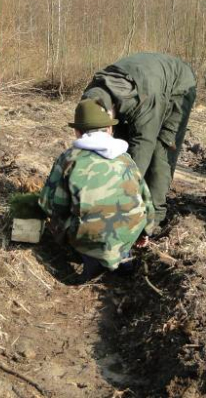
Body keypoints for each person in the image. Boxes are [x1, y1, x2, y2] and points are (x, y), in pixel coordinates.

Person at [39, 99, 155, 278]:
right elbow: (146, 200)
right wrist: (146, 232)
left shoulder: (69, 159)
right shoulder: (126, 159)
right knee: (121, 224)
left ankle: (88, 258)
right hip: (128, 233)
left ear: (77, 132)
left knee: (65, 220)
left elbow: (50, 204)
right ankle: (122, 259)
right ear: (109, 129)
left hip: (89, 235)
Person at [81, 53, 196, 226]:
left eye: (105, 127)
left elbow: (142, 149)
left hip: (177, 86)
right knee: (121, 147)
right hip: (142, 83)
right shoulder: (90, 96)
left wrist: (116, 199)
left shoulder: (142, 102)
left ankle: (154, 218)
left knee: (159, 152)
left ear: (111, 111)